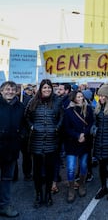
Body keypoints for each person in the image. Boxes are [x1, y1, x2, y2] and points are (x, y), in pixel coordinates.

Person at [25, 79, 63, 208]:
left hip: (52, 142)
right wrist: (31, 127)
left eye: (49, 87)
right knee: (37, 172)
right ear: (41, 89)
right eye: (44, 87)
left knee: (49, 171)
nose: (47, 89)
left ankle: (48, 195)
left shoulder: (57, 101)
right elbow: (26, 116)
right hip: (36, 141)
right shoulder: (33, 101)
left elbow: (61, 117)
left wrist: (56, 127)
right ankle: (38, 195)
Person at [63, 90, 94, 203]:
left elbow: (91, 123)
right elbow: (66, 128)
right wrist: (77, 135)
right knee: (71, 168)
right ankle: (71, 188)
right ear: (73, 99)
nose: (81, 98)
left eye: (82, 96)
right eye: (78, 97)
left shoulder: (89, 109)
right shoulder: (68, 111)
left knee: (83, 165)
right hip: (72, 142)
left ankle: (81, 184)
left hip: (85, 142)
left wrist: (84, 134)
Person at [0, 81, 25, 218]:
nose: (10, 91)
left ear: (16, 92)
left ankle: (4, 206)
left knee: (7, 179)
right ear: (1, 91)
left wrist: (21, 136)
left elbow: (24, 125)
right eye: (7, 89)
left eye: (12, 89)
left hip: (12, 149)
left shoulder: (20, 106)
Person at [93, 84, 108, 201]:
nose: (101, 98)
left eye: (103, 96)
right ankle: (103, 187)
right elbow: (95, 123)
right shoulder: (97, 108)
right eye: (99, 96)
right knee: (101, 166)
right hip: (99, 141)